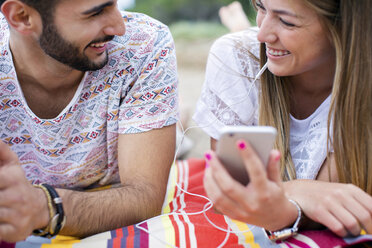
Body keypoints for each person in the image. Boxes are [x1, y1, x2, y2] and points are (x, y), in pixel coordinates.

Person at [0, 0, 178, 243]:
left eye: (115, 4)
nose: (119, 27)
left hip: (105, 229)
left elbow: (144, 198)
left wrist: (44, 207)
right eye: (95, 13)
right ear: (21, 17)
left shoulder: (144, 43)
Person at [194, 0, 372, 241]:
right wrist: (298, 193)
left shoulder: (361, 93)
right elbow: (232, 195)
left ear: (343, 27)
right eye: (260, 6)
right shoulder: (236, 57)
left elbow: (336, 202)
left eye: (287, 21)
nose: (262, 34)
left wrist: (291, 198)